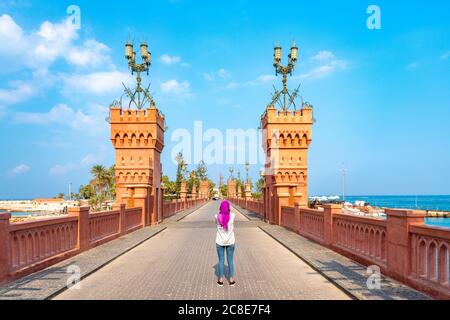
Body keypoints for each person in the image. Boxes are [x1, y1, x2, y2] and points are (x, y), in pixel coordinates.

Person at [215, 200, 236, 286]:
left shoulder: (216, 216)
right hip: (231, 241)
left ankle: (220, 280)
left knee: (221, 261)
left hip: (219, 242)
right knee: (230, 261)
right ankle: (231, 280)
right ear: (228, 207)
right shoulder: (233, 216)